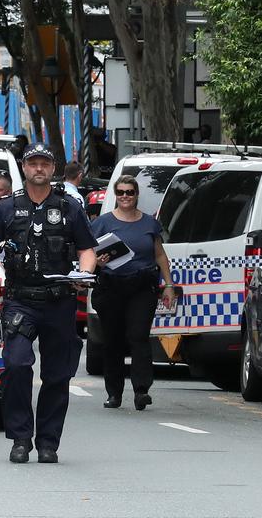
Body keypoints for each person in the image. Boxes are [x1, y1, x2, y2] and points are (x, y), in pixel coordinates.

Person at [0, 143, 96, 464]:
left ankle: (49, 442)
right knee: (16, 364)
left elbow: (87, 249)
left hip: (59, 301)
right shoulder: (8, 208)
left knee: (57, 375)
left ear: (53, 169)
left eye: (45, 163)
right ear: (24, 168)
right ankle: (21, 437)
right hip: (20, 300)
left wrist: (85, 272)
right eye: (33, 163)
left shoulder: (68, 207)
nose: (39, 168)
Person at [88, 175, 176, 411]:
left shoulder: (149, 224)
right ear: (115, 196)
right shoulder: (102, 223)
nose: (125, 196)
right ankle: (114, 393)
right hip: (111, 286)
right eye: (121, 193)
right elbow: (88, 257)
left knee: (138, 336)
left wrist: (168, 285)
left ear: (137, 195)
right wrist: (98, 262)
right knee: (113, 341)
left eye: (129, 192)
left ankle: (141, 390)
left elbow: (159, 255)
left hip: (141, 287)